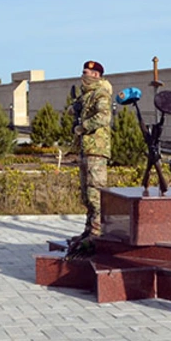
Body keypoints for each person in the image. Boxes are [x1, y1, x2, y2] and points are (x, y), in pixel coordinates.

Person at [71, 60, 112, 247]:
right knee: (87, 194)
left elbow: (103, 117)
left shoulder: (101, 93)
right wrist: (74, 109)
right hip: (86, 149)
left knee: (95, 193)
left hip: (96, 149)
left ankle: (97, 232)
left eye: (86, 72)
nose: (83, 75)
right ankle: (89, 230)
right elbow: (74, 111)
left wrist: (83, 127)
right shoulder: (86, 95)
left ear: (96, 75)